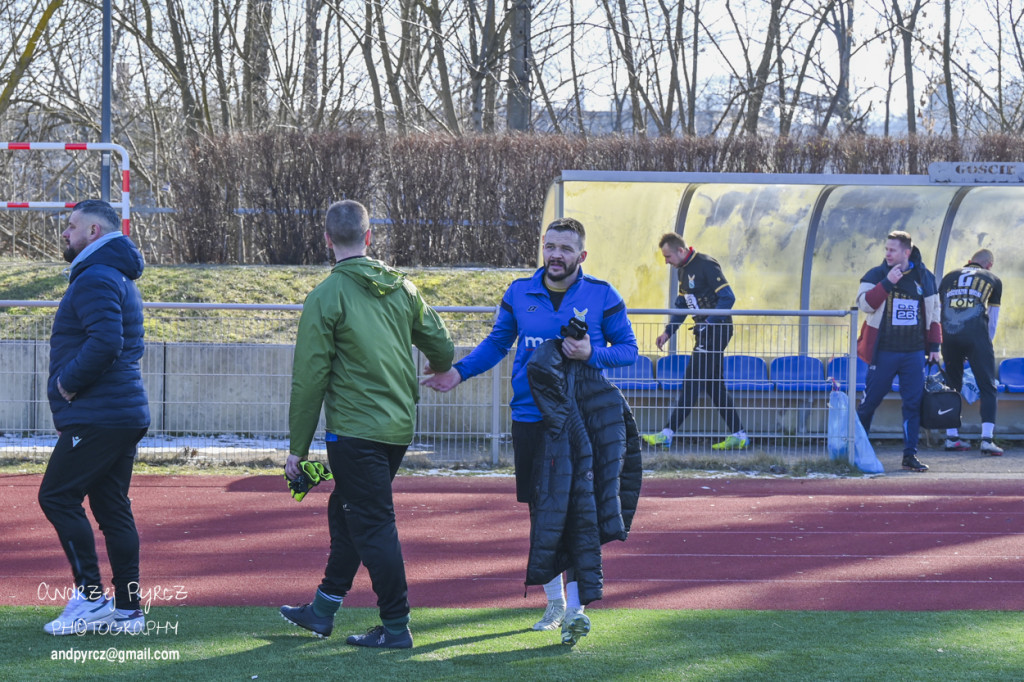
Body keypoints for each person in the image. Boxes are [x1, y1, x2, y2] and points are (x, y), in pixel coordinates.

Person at [420, 217, 638, 644]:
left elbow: (628, 350)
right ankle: (554, 602)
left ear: (582, 256)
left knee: (578, 508)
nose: (556, 255)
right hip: (530, 419)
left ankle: (575, 610)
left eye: (566, 248)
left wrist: (593, 352)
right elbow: (498, 344)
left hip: (579, 422)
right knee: (543, 507)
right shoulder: (520, 292)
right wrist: (458, 373)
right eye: (551, 246)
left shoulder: (601, 294)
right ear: (543, 247)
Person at [279, 200, 454, 649]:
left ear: (327, 239)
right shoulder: (403, 288)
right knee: (348, 512)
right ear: (369, 236)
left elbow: (310, 377)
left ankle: (396, 627)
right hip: (397, 427)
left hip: (355, 431)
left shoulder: (326, 295)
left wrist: (297, 448)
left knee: (371, 522)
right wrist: (437, 366)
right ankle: (322, 610)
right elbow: (442, 345)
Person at [38, 199, 150, 636]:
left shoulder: (96, 276)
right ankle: (128, 610)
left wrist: (67, 384)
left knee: (56, 497)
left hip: (99, 414)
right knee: (111, 508)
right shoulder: (112, 274)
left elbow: (107, 342)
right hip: (118, 413)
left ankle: (90, 598)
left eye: (71, 226)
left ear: (94, 233)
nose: (65, 233)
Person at [642, 233, 748, 450]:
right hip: (704, 332)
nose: (666, 262)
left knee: (691, 380)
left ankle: (667, 434)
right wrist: (668, 332)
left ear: (681, 251)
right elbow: (683, 305)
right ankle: (739, 434)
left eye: (668, 256)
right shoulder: (682, 271)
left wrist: (709, 321)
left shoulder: (706, 264)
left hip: (716, 331)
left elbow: (728, 297)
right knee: (713, 385)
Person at [855, 231, 942, 472]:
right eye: (886, 249)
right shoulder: (876, 274)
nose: (887, 254)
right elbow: (864, 304)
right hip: (883, 352)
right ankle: (858, 451)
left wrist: (934, 346)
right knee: (870, 401)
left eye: (892, 250)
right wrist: (887, 283)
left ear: (906, 252)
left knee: (913, 404)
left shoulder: (925, 277)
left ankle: (909, 455)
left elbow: (935, 312)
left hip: (913, 353)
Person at [939, 249, 1003, 456]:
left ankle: (951, 438)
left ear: (969, 262)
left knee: (952, 386)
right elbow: (992, 320)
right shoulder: (993, 279)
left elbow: (939, 309)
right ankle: (987, 440)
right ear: (989, 265)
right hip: (976, 336)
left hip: (949, 334)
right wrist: (985, 345)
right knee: (987, 386)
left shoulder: (949, 277)